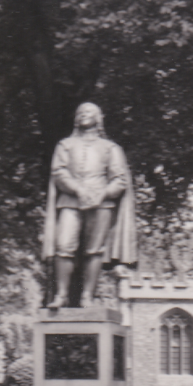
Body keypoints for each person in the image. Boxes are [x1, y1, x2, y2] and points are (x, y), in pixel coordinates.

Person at [42, 102, 138, 308]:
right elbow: (58, 172)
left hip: (101, 204)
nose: (85, 114)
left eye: (90, 112)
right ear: (76, 119)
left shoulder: (111, 148)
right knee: (63, 246)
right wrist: (77, 189)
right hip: (70, 201)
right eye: (81, 112)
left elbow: (120, 179)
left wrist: (103, 193)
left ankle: (87, 297)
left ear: (99, 118)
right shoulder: (65, 145)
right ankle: (62, 295)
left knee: (94, 251)